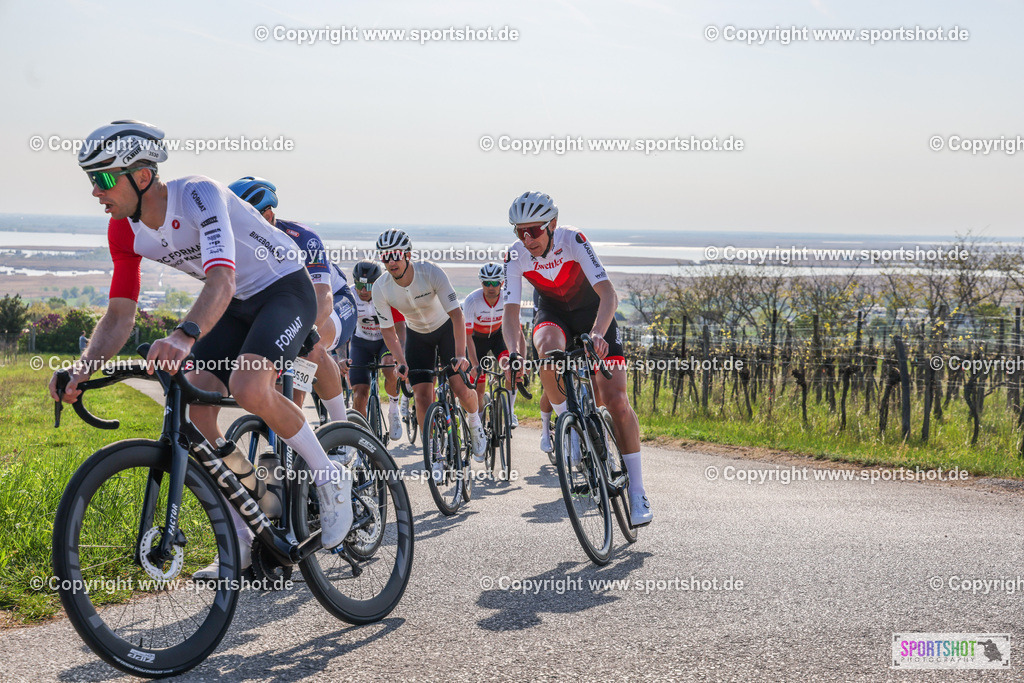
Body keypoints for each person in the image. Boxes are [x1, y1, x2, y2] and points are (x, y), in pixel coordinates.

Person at [50, 121, 353, 580]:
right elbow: (118, 316)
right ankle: (245, 530)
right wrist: (81, 370)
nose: (96, 191)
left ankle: (329, 476)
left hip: (282, 288)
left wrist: (183, 335)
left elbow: (222, 278)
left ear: (142, 176)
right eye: (90, 179)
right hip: (232, 306)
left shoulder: (198, 194)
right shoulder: (123, 231)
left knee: (250, 387)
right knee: (195, 417)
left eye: (105, 178)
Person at [500, 191, 652, 526]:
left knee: (616, 401)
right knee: (546, 348)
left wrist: (598, 332)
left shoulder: (573, 239)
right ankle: (568, 426)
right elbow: (510, 316)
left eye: (534, 231)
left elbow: (608, 294)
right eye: (519, 232)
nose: (527, 239)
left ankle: (638, 490)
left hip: (593, 315)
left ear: (551, 224)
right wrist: (513, 353)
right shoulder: (515, 257)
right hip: (553, 315)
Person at [228, 177, 355, 422]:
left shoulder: (302, 237)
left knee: (311, 346)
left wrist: (298, 333)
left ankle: (343, 428)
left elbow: (323, 297)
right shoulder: (240, 245)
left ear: (268, 214)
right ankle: (292, 445)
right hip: (290, 305)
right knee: (280, 403)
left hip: (335, 301)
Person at [370, 229, 487, 464]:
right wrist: (401, 361)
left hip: (446, 329)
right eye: (385, 257)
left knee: (459, 388)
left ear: (407, 254)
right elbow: (388, 331)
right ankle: (433, 453)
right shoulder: (380, 287)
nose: (391, 261)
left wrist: (461, 355)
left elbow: (457, 315)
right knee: (422, 396)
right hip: (418, 336)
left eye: (395, 255)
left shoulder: (430, 272)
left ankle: (475, 422)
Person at [345, 259, 406, 439]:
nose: (363, 291)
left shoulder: (389, 292)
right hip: (360, 343)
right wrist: (338, 355)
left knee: (388, 365)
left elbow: (401, 326)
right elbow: (342, 328)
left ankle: (394, 409)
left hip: (384, 341)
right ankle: (360, 442)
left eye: (368, 286)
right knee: (359, 395)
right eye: (359, 285)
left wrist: (400, 356)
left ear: (377, 283)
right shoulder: (350, 295)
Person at [463, 263, 521, 428]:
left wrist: (518, 356)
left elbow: (516, 328)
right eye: (486, 283)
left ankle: (509, 412)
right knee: (479, 389)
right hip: (476, 341)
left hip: (498, 338)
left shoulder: (507, 298)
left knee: (512, 369)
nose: (491, 287)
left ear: (502, 283)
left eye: (495, 283)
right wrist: (474, 363)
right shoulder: (472, 300)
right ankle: (478, 427)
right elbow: (467, 336)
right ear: (481, 283)